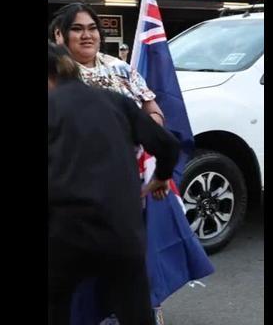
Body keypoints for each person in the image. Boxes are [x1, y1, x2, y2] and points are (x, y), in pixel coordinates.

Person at [48, 41, 180, 325]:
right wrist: (162, 177)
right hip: (121, 228)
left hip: (64, 233)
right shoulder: (115, 101)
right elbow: (167, 145)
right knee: (134, 311)